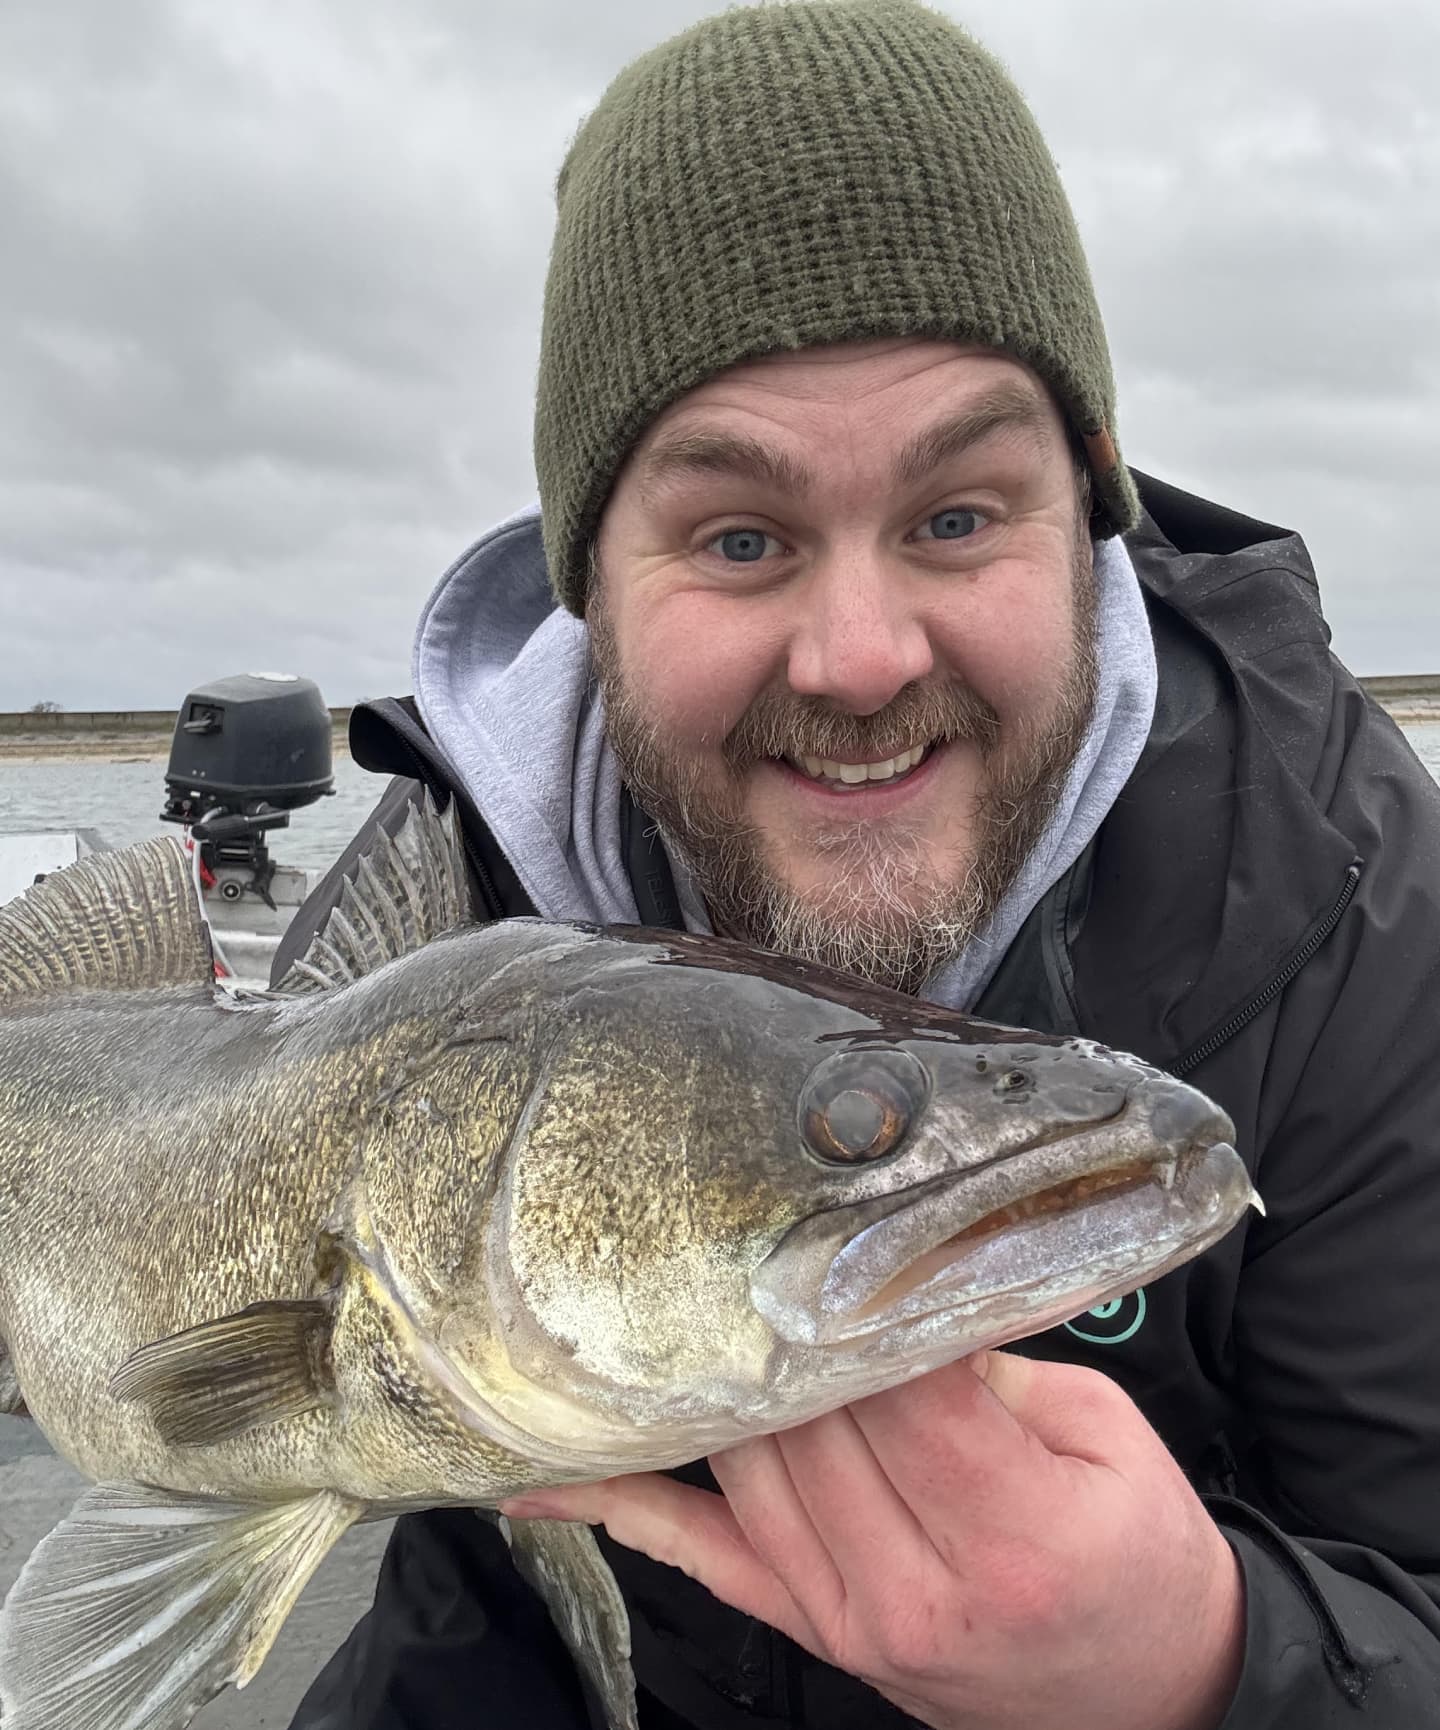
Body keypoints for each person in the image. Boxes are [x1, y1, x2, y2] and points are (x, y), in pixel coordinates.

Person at [279, 2, 1440, 1725]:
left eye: (957, 515)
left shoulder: (1356, 905)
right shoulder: (460, 910)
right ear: (591, 579)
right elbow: (460, 1630)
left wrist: (1203, 1666)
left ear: (1092, 504)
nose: (857, 655)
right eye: (740, 537)